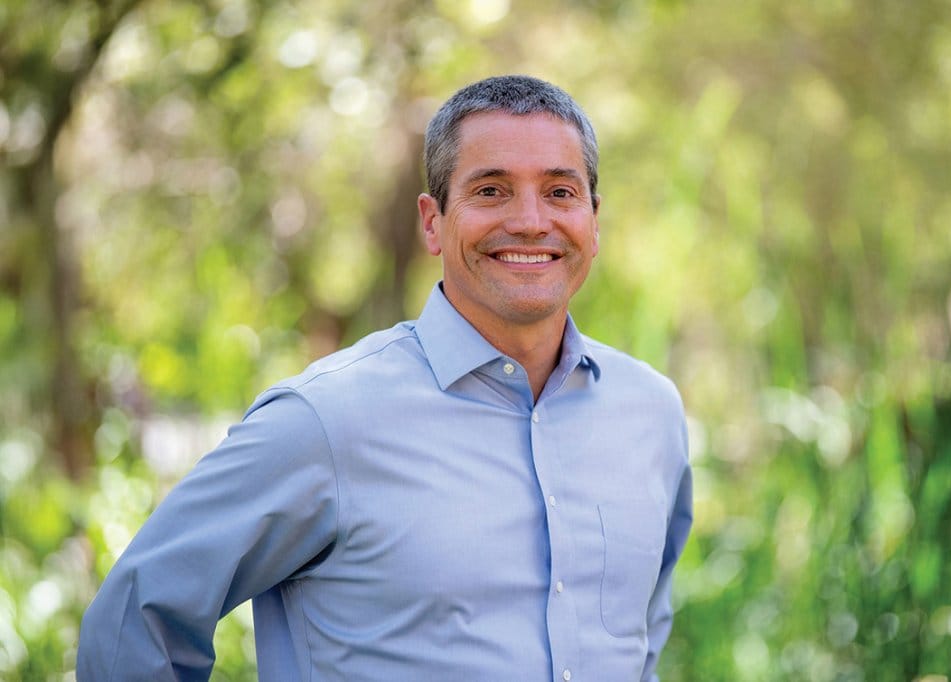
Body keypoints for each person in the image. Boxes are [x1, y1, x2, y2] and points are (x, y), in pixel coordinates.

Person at [77, 75, 693, 682]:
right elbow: (136, 619)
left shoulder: (651, 414)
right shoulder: (325, 422)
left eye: (560, 192)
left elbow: (641, 638)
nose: (531, 221)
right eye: (491, 190)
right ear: (432, 221)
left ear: (593, 218)